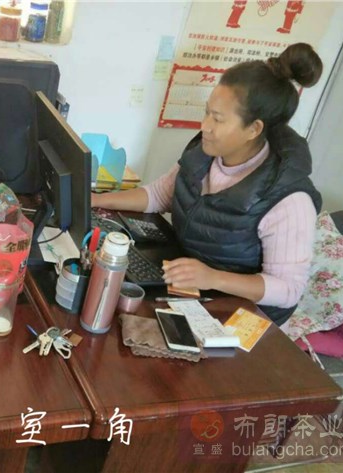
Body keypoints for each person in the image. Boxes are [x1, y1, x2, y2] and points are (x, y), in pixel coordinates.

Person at [91, 43, 323, 326]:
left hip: (247, 316)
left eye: (218, 119)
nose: (205, 126)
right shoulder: (204, 153)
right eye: (207, 112)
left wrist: (213, 277)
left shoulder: (288, 199)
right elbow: (159, 195)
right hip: (194, 286)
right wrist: (95, 200)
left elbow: (288, 290)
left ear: (254, 128)